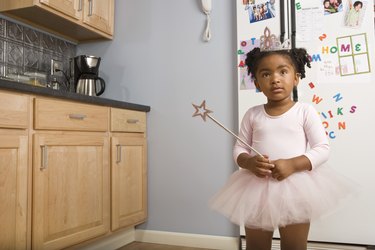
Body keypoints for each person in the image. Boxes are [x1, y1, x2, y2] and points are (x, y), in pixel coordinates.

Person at [210, 47, 354, 250]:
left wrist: (293, 164)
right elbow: (239, 149)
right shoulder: (252, 114)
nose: (275, 79)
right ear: (258, 83)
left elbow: (322, 149)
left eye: (282, 72)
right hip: (255, 190)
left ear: (296, 78)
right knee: (256, 246)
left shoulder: (305, 111)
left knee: (294, 246)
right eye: (266, 74)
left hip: (297, 188)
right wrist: (249, 162)